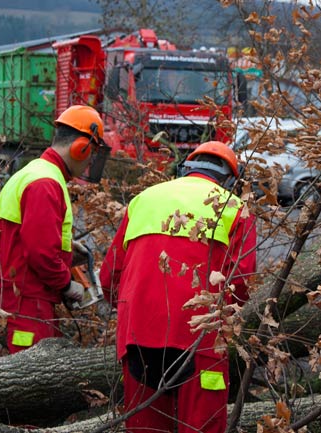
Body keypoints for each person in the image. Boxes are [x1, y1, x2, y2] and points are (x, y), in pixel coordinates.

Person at [99, 141, 257, 433]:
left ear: (186, 168)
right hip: (200, 339)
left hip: (138, 334)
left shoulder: (143, 199)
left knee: (146, 427)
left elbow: (110, 276)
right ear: (231, 179)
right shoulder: (234, 207)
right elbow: (240, 283)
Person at [0, 105, 111, 354]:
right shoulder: (45, 183)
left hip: (25, 295)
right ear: (80, 149)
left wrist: (67, 246)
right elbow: (40, 252)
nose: (90, 162)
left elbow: (30, 234)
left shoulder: (39, 172)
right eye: (91, 155)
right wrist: (67, 284)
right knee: (29, 381)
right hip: (27, 299)